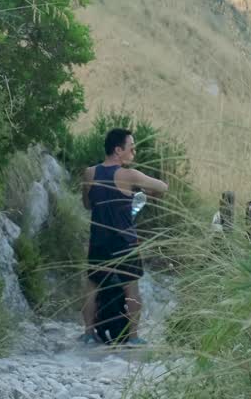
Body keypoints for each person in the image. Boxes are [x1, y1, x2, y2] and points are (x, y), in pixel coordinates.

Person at [79, 127, 168, 345]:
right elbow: (163, 187)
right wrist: (147, 192)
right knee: (131, 289)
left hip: (99, 240)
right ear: (118, 150)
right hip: (124, 242)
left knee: (92, 287)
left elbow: (87, 204)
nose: (133, 153)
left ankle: (88, 333)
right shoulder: (130, 175)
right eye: (132, 148)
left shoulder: (90, 173)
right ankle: (133, 337)